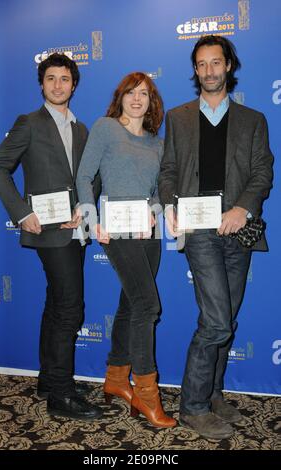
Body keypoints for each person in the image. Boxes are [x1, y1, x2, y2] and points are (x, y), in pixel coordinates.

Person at [158, 35, 273, 440]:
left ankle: (213, 392)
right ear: (195, 70)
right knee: (216, 321)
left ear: (228, 66)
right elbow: (168, 169)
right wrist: (169, 205)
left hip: (238, 230)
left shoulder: (254, 120)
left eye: (215, 63)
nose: (209, 71)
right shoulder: (178, 117)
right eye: (201, 64)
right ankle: (192, 406)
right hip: (200, 229)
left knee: (228, 317)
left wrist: (242, 208)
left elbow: (262, 173)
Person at [0, 53, 102, 421]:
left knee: (57, 304)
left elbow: (91, 177)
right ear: (42, 83)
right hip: (47, 232)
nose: (57, 85)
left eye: (64, 79)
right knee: (70, 308)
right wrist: (21, 212)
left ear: (73, 84)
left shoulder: (82, 129)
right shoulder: (29, 123)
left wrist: (84, 207)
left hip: (74, 230)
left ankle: (49, 380)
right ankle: (62, 395)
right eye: (50, 78)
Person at [76, 72, 176, 428]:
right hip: (115, 230)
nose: (137, 99)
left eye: (144, 94)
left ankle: (116, 379)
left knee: (130, 305)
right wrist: (91, 219)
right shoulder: (104, 128)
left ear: (152, 102)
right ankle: (147, 395)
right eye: (131, 93)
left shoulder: (157, 143)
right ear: (120, 97)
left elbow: (156, 192)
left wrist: (154, 212)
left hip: (147, 235)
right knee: (148, 305)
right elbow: (84, 176)